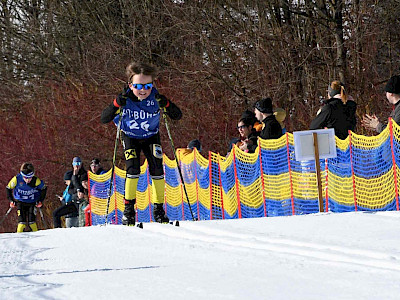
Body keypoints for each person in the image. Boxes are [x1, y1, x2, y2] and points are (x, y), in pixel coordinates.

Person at [101, 62, 182, 225]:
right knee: (133, 169)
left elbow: (177, 115)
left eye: (148, 85)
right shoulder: (125, 98)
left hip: (151, 136)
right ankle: (129, 210)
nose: (143, 90)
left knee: (157, 170)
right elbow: (104, 118)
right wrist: (116, 104)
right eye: (138, 86)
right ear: (130, 85)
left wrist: (165, 104)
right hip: (130, 136)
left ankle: (159, 209)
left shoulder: (155, 97)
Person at [6, 162, 47, 232]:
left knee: (32, 223)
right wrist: (11, 200)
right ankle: (18, 239)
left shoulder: (36, 180)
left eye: (30, 178)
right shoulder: (16, 179)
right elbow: (8, 188)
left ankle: (38, 239)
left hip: (32, 202)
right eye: (25, 178)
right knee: (21, 224)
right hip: (21, 202)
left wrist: (40, 201)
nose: (27, 180)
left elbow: (44, 189)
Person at [53, 157, 88, 228]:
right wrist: (77, 190)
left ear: (81, 164)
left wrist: (79, 189)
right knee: (56, 213)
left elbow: (82, 187)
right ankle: (58, 231)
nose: (77, 165)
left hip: (82, 203)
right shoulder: (73, 175)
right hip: (74, 201)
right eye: (75, 164)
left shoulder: (84, 174)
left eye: (78, 163)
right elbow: (70, 190)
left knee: (82, 220)